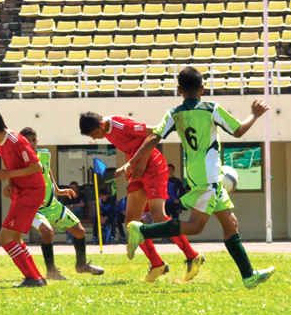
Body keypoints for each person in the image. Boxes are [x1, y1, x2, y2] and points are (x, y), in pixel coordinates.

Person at [119, 66, 275, 289]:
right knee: (195, 226)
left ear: (179, 89)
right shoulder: (211, 109)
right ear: (203, 88)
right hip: (209, 176)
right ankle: (142, 230)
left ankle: (248, 275)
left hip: (200, 175)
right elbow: (239, 131)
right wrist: (255, 114)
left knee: (231, 224)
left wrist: (132, 161)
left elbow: (154, 136)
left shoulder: (174, 113)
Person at [80, 111, 203, 283]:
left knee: (158, 216)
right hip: (137, 171)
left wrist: (142, 162)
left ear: (101, 125)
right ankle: (157, 264)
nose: (95, 138)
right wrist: (128, 167)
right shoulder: (106, 131)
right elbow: (130, 146)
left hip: (152, 167)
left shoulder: (121, 125)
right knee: (131, 223)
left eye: (94, 134)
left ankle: (193, 256)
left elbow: (154, 133)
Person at [19, 127, 103, 281]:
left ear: (37, 141)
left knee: (79, 231)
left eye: (33, 140)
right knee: (47, 232)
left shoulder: (45, 154)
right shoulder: (19, 159)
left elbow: (47, 170)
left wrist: (57, 189)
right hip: (34, 208)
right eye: (26, 140)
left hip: (52, 204)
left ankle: (82, 265)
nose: (30, 143)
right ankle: (51, 271)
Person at [0, 107, 46, 287]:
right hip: (22, 191)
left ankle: (33, 279)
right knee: (15, 239)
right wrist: (10, 184)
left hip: (31, 192)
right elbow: (11, 167)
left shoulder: (16, 140)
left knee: (4, 237)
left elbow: (36, 167)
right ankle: (38, 277)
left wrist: (9, 175)